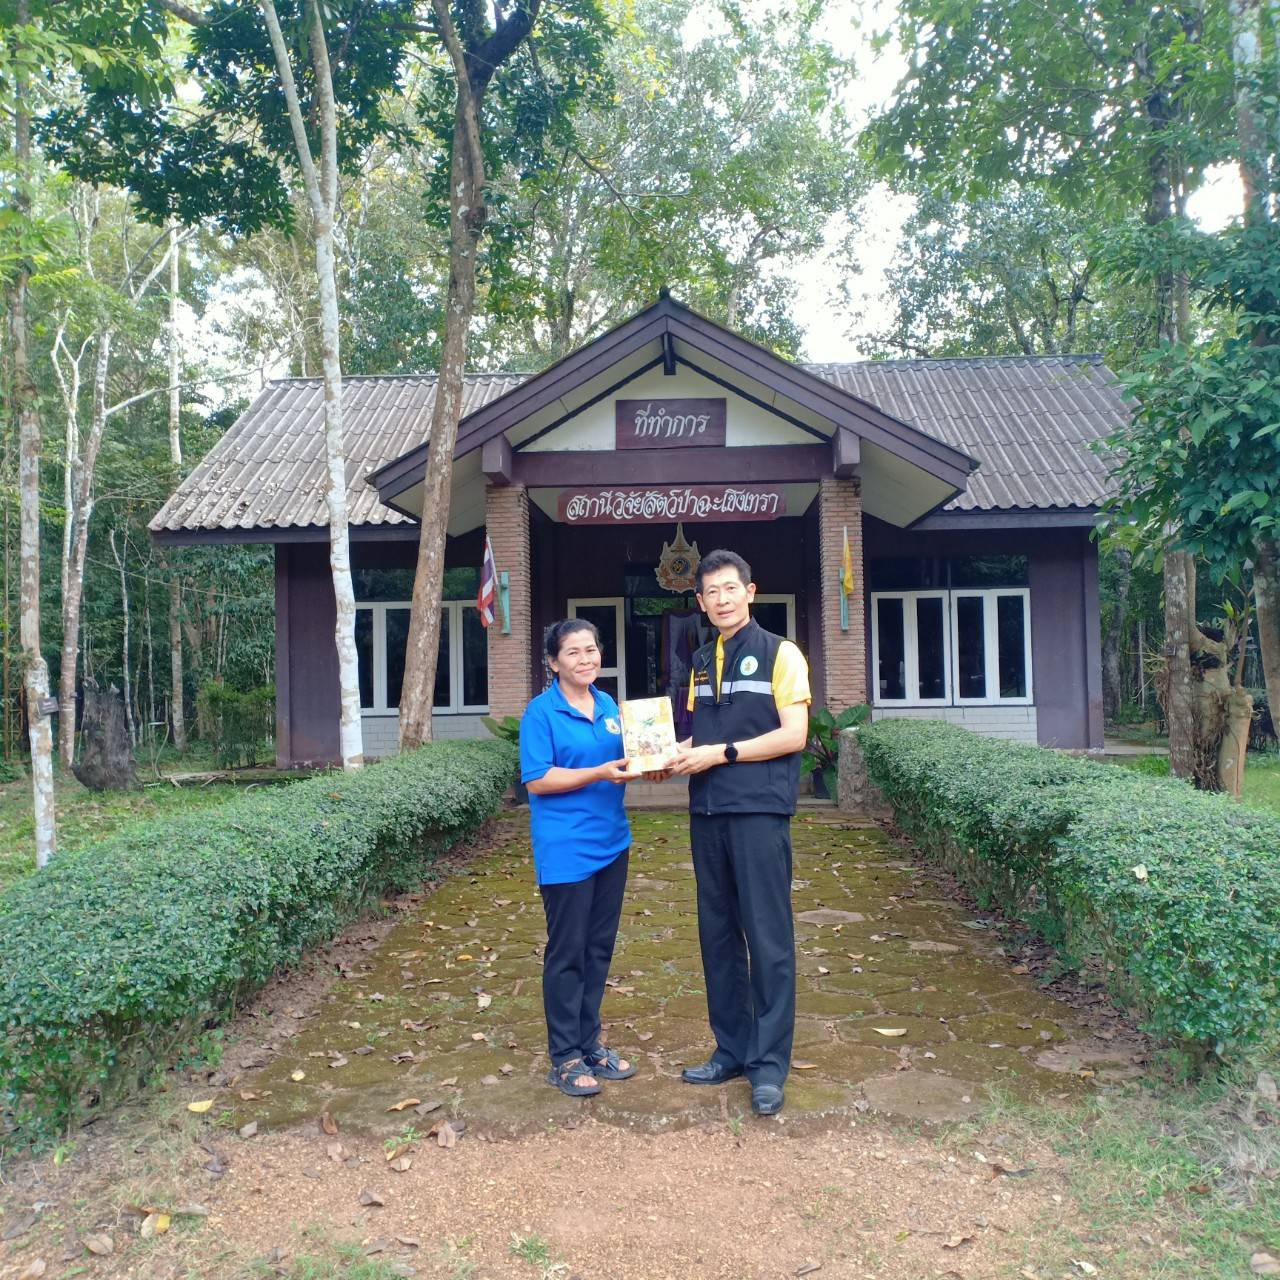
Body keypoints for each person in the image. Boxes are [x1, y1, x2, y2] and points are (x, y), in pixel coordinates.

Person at [669, 549, 811, 1115]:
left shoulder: (782, 652)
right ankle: (730, 1049)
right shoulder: (701, 660)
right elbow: (696, 737)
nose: (722, 599)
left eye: (731, 588)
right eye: (712, 592)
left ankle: (768, 1066)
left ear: (750, 592)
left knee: (768, 940)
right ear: (700, 602)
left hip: (758, 813)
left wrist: (721, 754)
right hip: (708, 814)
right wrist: (662, 757)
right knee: (719, 938)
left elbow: (794, 735)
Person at [519, 618, 637, 1097]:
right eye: (573, 652)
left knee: (598, 948)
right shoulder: (541, 713)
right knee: (568, 951)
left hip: (613, 843)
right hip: (566, 849)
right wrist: (598, 773)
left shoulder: (608, 705)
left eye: (591, 649)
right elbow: (537, 780)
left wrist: (661, 758)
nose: (585, 659)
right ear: (553, 662)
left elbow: (630, 756)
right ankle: (565, 1055)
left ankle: (590, 1043)